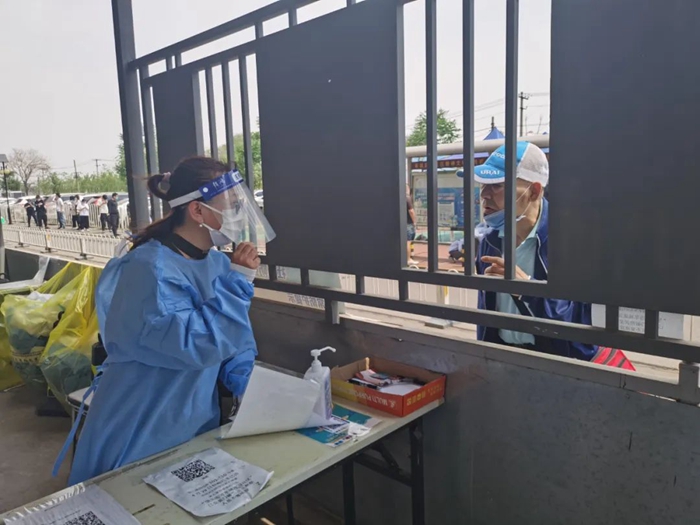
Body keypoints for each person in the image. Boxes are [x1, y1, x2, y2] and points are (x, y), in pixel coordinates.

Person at [62, 156, 266, 484]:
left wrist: (248, 381)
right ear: (197, 210)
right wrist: (239, 283)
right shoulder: (150, 269)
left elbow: (231, 338)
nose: (238, 214)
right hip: (140, 420)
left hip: (192, 417)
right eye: (231, 205)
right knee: (131, 498)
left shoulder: (217, 265)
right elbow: (193, 345)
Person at [473, 141, 596, 361]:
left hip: (556, 362)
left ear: (534, 191)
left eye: (497, 185)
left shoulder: (572, 242)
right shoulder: (490, 240)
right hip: (499, 356)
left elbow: (581, 323)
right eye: (483, 185)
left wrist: (527, 289)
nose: (484, 194)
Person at [406, 184, 418, 265]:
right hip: (408, 223)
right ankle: (408, 259)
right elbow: (411, 211)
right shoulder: (407, 198)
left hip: (401, 222)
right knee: (408, 241)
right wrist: (414, 222)